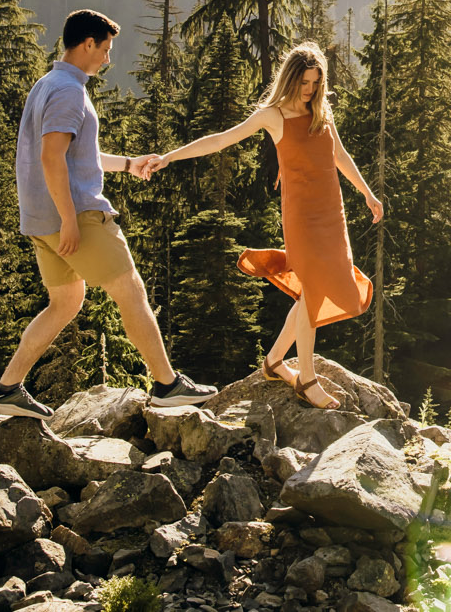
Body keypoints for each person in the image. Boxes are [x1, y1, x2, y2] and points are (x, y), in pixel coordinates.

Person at [0, 8, 217, 418]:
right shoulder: (70, 91)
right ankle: (166, 384)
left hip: (40, 221)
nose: (107, 59)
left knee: (65, 301)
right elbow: (52, 157)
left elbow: (74, 155)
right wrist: (70, 219)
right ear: (87, 44)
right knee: (132, 291)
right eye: (105, 49)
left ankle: (5, 389)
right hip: (77, 217)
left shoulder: (47, 84)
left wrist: (128, 163)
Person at [158, 41, 382, 409]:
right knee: (311, 291)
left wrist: (368, 194)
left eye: (316, 83)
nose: (310, 90)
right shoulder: (273, 115)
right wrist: (170, 157)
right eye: (305, 82)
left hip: (331, 214)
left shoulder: (321, 111)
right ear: (291, 78)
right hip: (302, 218)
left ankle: (274, 362)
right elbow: (220, 140)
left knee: (319, 290)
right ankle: (307, 380)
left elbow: (338, 155)